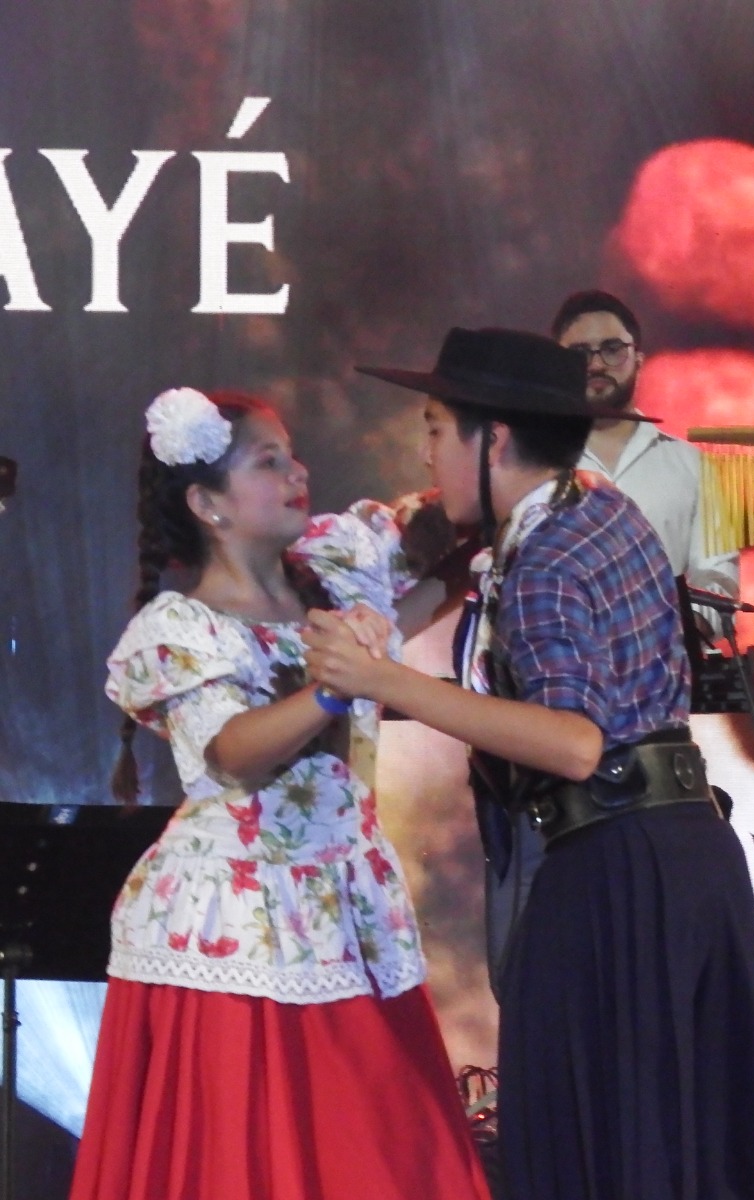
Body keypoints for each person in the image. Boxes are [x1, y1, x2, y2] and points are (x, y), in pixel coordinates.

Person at [306, 327, 754, 1200]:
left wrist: (384, 682)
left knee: (591, 1141)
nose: (426, 454)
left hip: (615, 874)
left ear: (492, 438)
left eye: (435, 430)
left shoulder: (544, 561)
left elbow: (573, 741)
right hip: (684, 856)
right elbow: (474, 577)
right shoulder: (596, 508)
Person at [73, 388, 488, 1200]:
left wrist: (479, 548)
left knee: (380, 1147)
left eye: (291, 456)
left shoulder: (333, 570)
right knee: (247, 1157)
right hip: (239, 920)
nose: (297, 473)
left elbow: (424, 562)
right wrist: (336, 685)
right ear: (208, 504)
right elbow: (233, 751)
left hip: (344, 901)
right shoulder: (182, 627)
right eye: (268, 463)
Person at [552, 288, 740, 599]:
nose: (596, 365)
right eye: (579, 353)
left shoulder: (691, 466)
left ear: (639, 360)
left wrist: (672, 623)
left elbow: (717, 579)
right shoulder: (533, 463)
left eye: (612, 349)